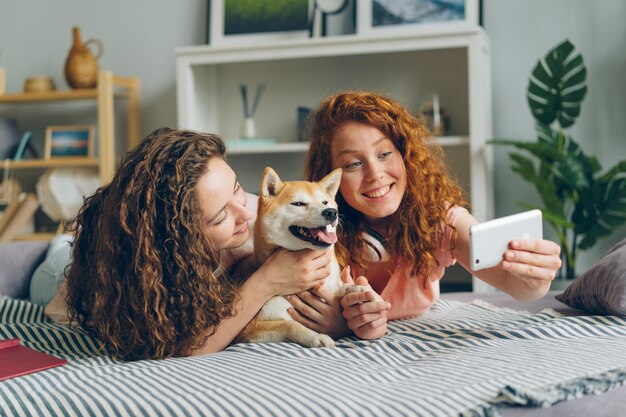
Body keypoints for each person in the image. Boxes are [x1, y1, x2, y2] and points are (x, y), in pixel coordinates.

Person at [284, 91, 562, 340]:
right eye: (354, 163)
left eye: (384, 154)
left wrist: (535, 282)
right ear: (329, 177)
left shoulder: (438, 220)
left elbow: (515, 285)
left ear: (405, 156)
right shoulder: (314, 234)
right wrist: (343, 327)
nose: (375, 174)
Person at [42, 127, 332, 360]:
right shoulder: (146, 275)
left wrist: (337, 320)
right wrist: (265, 282)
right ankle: (65, 239)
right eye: (220, 218)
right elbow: (186, 346)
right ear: (181, 238)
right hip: (57, 272)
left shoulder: (254, 220)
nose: (245, 212)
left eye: (237, 189)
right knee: (59, 254)